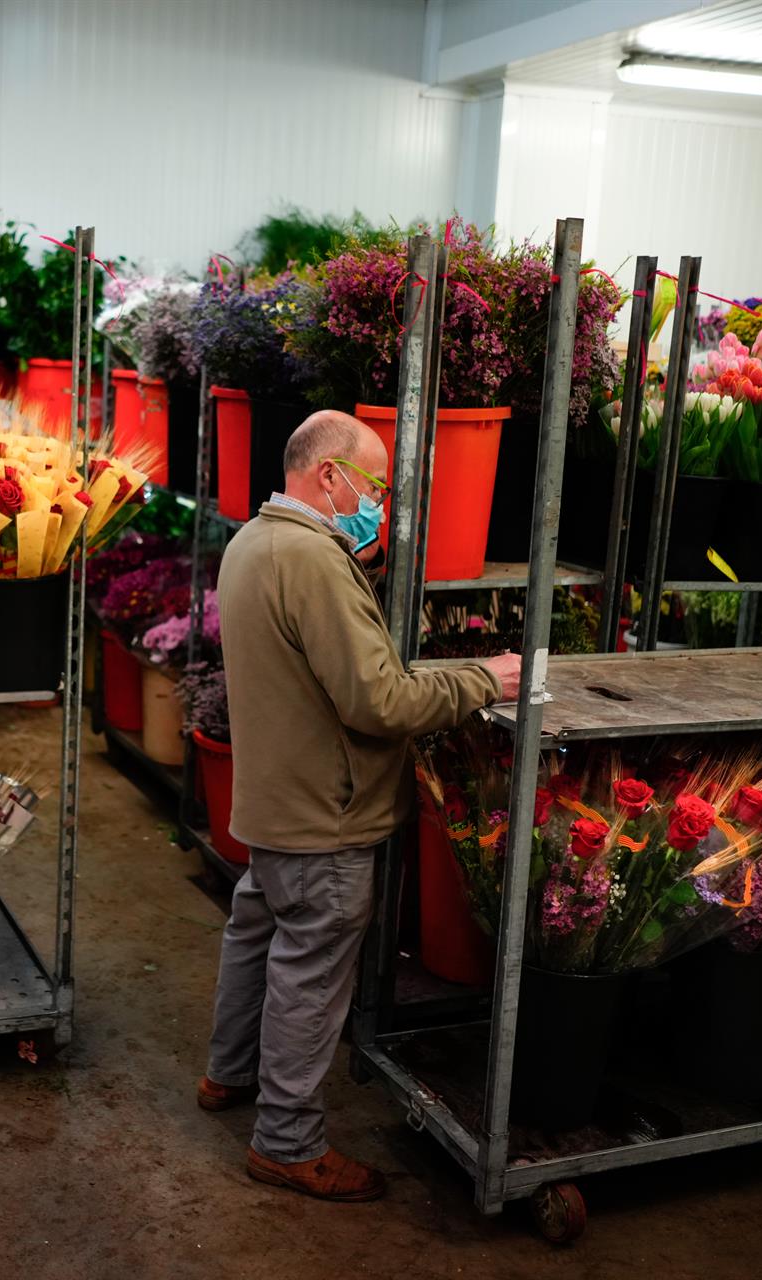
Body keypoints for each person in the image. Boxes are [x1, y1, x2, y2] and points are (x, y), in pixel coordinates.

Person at [198, 410, 522, 1203]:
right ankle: (286, 1143)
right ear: (328, 475)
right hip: (324, 817)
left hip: (273, 804)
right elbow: (376, 700)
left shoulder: (252, 542)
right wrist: (485, 680)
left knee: (257, 934)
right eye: (374, 482)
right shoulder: (312, 560)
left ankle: (227, 1073)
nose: (382, 499)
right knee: (311, 973)